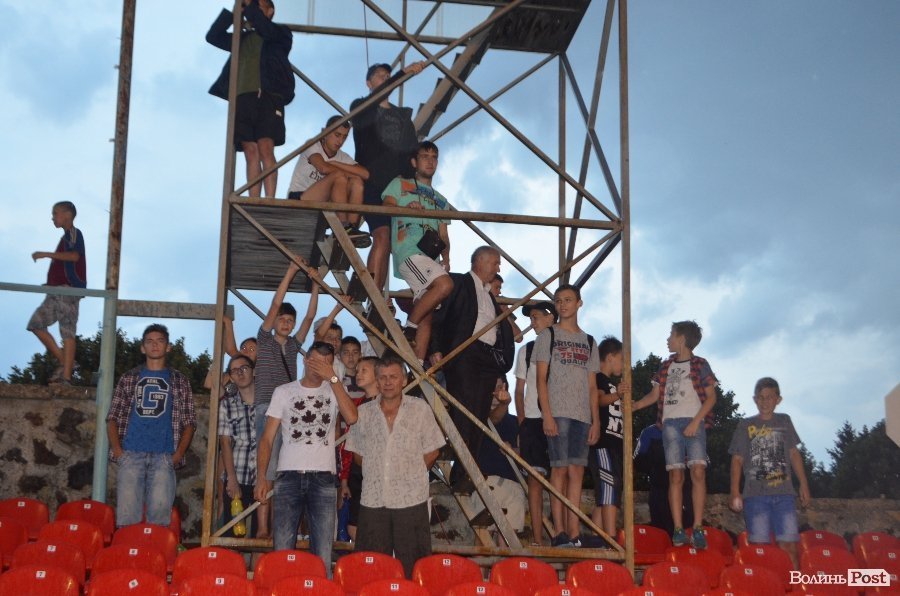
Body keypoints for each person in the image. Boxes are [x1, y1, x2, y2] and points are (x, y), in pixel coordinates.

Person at [255, 342, 358, 572]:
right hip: (288, 476)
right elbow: (266, 439)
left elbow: (352, 417)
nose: (320, 367)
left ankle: (320, 586)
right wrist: (261, 477)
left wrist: (333, 379)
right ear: (305, 360)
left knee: (322, 551)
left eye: (326, 363)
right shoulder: (284, 391)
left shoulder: (335, 389)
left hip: (323, 478)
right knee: (282, 547)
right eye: (316, 361)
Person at [346, 355, 445, 577]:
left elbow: (433, 450)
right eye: (383, 377)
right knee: (372, 568)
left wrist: (409, 475)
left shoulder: (420, 409)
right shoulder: (364, 413)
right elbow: (358, 455)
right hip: (373, 499)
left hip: (411, 500)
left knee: (414, 567)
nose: (388, 382)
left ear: (404, 380)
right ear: (377, 381)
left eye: (393, 377)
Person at [430, 246, 515, 490]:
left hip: (488, 358)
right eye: (495, 263)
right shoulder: (458, 282)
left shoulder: (490, 296)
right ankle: (462, 465)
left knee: (479, 413)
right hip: (464, 350)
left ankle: (467, 471)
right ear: (480, 261)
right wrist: (436, 347)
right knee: (464, 406)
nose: (498, 268)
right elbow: (439, 315)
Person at [634, 320, 718, 549]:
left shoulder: (700, 364)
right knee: (675, 475)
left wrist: (696, 421)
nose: (667, 339)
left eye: (671, 334)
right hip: (670, 423)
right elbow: (654, 395)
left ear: (681, 339)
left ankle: (697, 527)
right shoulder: (665, 366)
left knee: (698, 471)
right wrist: (635, 405)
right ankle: (678, 529)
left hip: (694, 421)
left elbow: (711, 397)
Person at [106, 324, 196, 527]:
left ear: (168, 347)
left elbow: (189, 422)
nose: (155, 345)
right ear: (142, 347)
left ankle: (154, 549)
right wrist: (119, 452)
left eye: (160, 341)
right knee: (127, 519)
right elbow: (112, 418)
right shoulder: (129, 378)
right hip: (131, 455)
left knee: (159, 519)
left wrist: (177, 455)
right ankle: (128, 549)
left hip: (164, 457)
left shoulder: (180, 381)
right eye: (150, 341)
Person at [350, 61, 427, 292]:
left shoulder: (402, 117)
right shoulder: (361, 107)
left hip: (396, 185)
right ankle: (372, 293)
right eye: (380, 75)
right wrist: (404, 72)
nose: (385, 78)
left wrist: (413, 183)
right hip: (373, 182)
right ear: (368, 83)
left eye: (387, 75)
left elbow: (412, 151)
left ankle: (378, 296)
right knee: (382, 235)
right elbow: (377, 98)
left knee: (392, 240)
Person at [534, 284, 601, 548]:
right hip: (558, 412)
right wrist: (547, 415)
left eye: (568, 300)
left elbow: (593, 386)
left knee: (576, 471)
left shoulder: (590, 341)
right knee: (559, 469)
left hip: (582, 415)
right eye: (558, 300)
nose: (563, 305)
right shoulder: (548, 335)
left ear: (579, 303)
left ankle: (574, 533)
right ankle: (559, 532)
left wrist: (596, 420)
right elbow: (540, 379)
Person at [207, 0, 294, 198]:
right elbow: (213, 36)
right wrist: (234, 13)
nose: (253, 8)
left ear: (270, 11)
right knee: (249, 150)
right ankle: (254, 199)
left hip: (269, 96)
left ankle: (269, 199)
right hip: (243, 98)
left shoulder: (280, 33)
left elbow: (265, 29)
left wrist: (248, 6)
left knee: (265, 147)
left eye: (258, 4)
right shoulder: (242, 38)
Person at [729, 377, 811, 569]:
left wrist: (804, 484)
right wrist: (734, 491)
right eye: (761, 397)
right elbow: (737, 460)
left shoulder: (784, 421)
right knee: (760, 550)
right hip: (755, 497)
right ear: (755, 399)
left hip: (784, 495)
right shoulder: (745, 425)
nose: (765, 401)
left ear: (778, 399)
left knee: (789, 547)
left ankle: (792, 583)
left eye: (770, 397)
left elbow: (794, 453)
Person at [382, 141, 452, 361]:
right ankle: (409, 329)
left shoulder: (442, 200)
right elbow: (386, 206)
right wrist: (405, 208)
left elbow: (443, 234)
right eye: (424, 156)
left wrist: (447, 258)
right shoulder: (400, 184)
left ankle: (417, 367)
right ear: (414, 162)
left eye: (434, 157)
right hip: (409, 250)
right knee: (445, 285)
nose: (430, 161)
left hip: (430, 257)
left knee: (426, 312)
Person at [253, 262, 310, 531]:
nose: (286, 324)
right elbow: (276, 303)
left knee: (283, 469)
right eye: (282, 320)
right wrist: (291, 271)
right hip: (266, 408)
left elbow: (310, 318)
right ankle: (263, 529)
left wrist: (316, 286)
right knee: (266, 468)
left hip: (289, 413)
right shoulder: (264, 340)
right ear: (274, 322)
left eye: (290, 321)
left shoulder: (294, 346)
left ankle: (277, 528)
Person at [288, 115, 370, 246]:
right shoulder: (313, 144)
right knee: (339, 176)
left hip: (325, 207)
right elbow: (323, 168)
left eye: (344, 137)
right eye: (337, 135)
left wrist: (336, 163)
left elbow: (365, 174)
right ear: (325, 132)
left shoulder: (342, 157)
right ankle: (343, 227)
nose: (340, 141)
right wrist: (344, 172)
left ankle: (351, 229)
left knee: (357, 183)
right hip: (300, 201)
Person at [513, 301, 557, 546]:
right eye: (530, 318)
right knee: (535, 482)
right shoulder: (526, 351)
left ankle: (563, 535)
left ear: (551, 318)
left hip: (560, 418)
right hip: (532, 421)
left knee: (561, 478)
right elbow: (519, 390)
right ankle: (539, 539)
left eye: (536, 317)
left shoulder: (562, 349)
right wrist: (522, 423)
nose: (532, 322)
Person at [28, 201, 86, 385]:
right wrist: (50, 283)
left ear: (67, 214)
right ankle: (65, 363)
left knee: (67, 332)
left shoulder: (74, 233)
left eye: (55, 213)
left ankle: (66, 377)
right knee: (36, 324)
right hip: (56, 291)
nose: (53, 217)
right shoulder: (65, 238)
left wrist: (46, 254)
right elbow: (65, 264)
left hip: (68, 291)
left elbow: (74, 256)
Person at [467, 380, 527, 545]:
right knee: (483, 542)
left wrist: (513, 451)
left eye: (500, 387)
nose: (496, 392)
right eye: (492, 387)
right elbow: (493, 419)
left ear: (506, 388)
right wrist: (504, 403)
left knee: (508, 546)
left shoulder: (517, 422)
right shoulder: (477, 417)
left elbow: (526, 455)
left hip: (514, 485)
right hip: (488, 482)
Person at [588, 336, 630, 541]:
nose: (623, 364)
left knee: (606, 492)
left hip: (614, 444)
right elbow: (597, 400)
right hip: (603, 443)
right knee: (608, 487)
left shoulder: (611, 384)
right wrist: (617, 395)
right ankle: (610, 538)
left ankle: (597, 537)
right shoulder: (597, 378)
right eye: (621, 359)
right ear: (611, 357)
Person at [218, 354, 263, 537]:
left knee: (261, 535)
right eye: (234, 371)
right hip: (238, 473)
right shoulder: (226, 405)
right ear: (231, 376)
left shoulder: (268, 402)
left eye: (244, 368)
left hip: (263, 477)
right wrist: (231, 478)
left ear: (254, 371)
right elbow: (225, 443)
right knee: (232, 534)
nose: (240, 373)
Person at [339, 355, 379, 541]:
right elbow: (348, 445)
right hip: (357, 472)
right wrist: (344, 480)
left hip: (380, 473)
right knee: (353, 527)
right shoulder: (356, 405)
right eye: (357, 371)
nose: (358, 374)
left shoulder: (388, 404)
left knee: (377, 524)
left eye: (364, 370)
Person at [633, 422, 695, 535]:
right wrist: (660, 458)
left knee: (687, 530)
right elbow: (638, 462)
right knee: (661, 533)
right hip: (659, 492)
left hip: (684, 492)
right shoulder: (649, 432)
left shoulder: (689, 430)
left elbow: (704, 463)